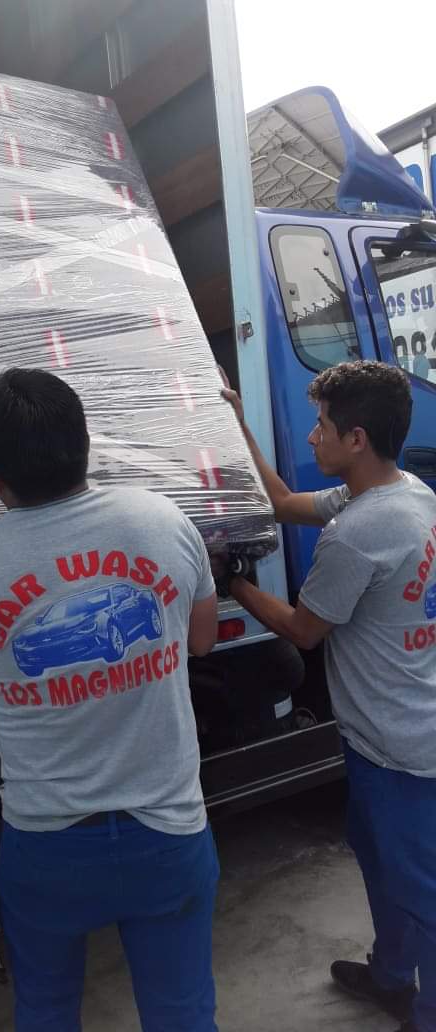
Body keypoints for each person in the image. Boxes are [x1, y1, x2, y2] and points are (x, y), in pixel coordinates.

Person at [0, 367, 220, 1032]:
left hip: (47, 845)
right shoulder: (162, 521)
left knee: (44, 1011)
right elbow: (202, 639)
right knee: (182, 1013)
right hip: (167, 833)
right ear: (85, 446)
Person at [222, 360, 436, 1032]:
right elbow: (285, 504)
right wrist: (238, 427)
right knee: (379, 864)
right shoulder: (406, 494)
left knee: (422, 892)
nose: (312, 436)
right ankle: (391, 977)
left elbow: (302, 630)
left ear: (356, 439)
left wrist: (233, 583)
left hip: (401, 749)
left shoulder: (356, 533)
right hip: (390, 732)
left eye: (321, 426)